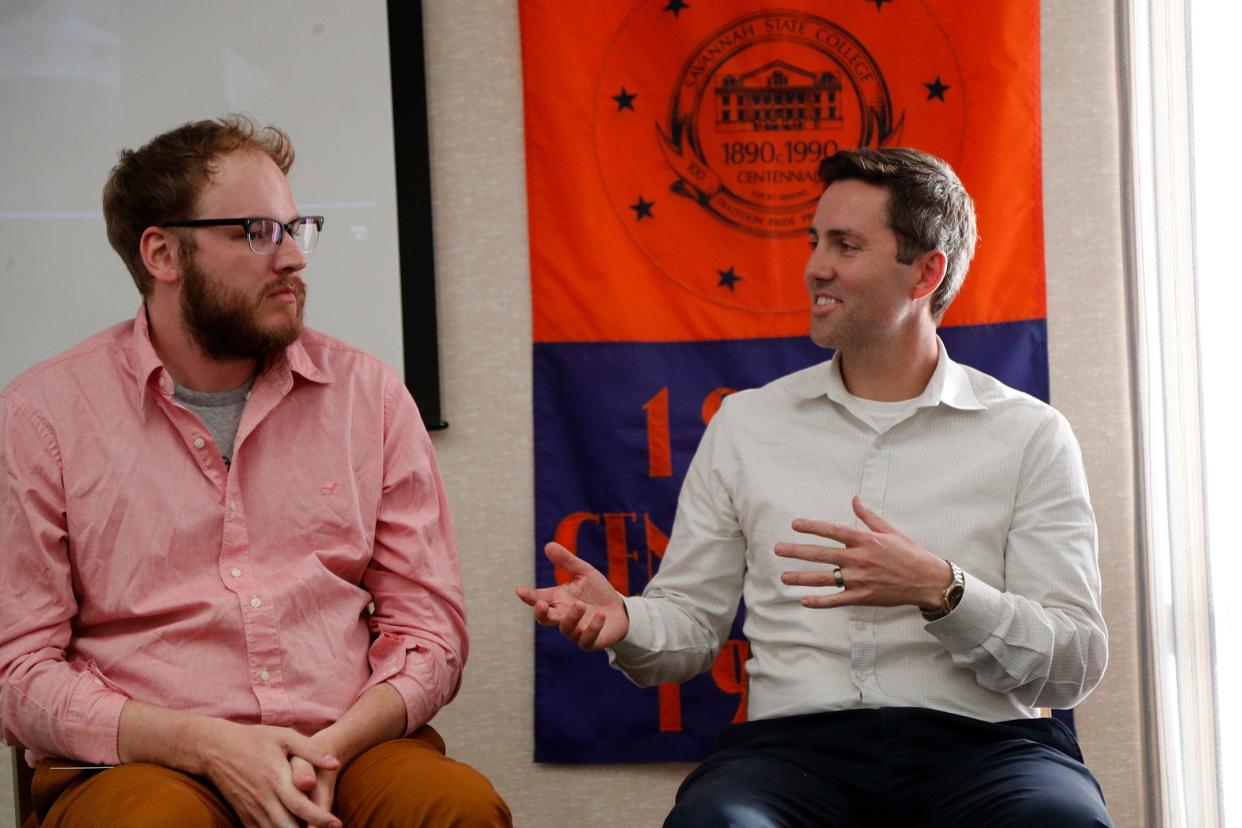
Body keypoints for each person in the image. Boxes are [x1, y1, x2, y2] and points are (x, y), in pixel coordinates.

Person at [517, 147, 1113, 826]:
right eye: (815, 241)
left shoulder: (1029, 434)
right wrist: (626, 622)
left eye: (846, 245)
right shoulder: (746, 424)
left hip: (988, 752)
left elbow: (1074, 663)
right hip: (790, 756)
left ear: (926, 272)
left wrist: (942, 589)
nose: (815, 267)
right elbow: (688, 627)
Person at [0, 115, 511, 828]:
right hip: (146, 761)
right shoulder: (41, 417)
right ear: (162, 254)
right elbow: (19, 672)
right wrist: (209, 746)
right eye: (256, 232)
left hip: (345, 745)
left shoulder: (370, 396)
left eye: (297, 230)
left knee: (454, 809)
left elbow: (429, 630)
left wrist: (330, 748)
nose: (295, 259)